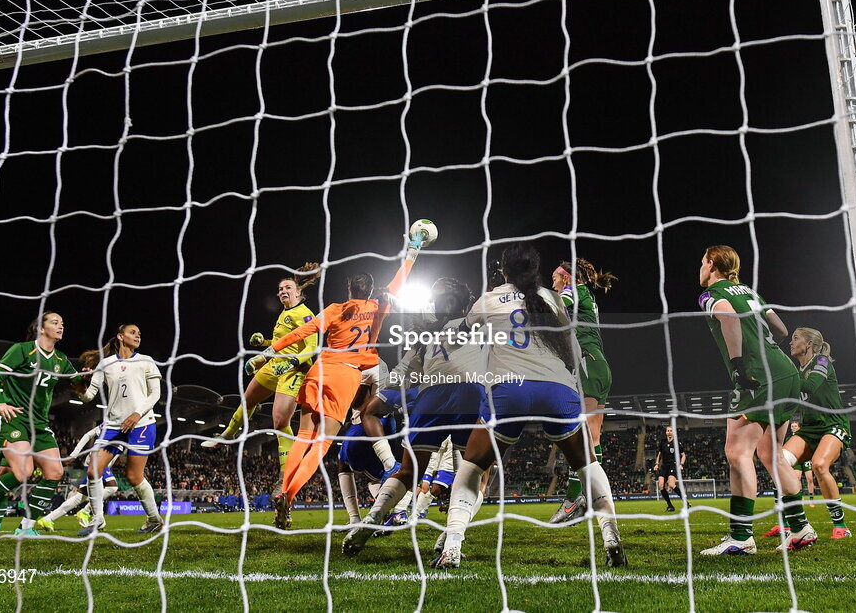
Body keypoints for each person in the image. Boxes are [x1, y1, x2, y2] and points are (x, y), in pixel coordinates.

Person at [431, 242, 626, 569]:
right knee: (588, 463)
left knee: (472, 466)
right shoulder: (551, 297)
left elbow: (463, 332)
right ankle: (610, 535)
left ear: (504, 270)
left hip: (510, 389)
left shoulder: (490, 298)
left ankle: (452, 543)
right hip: (557, 388)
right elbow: (568, 342)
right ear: (535, 271)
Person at [250, 231, 424, 529]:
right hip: (345, 375)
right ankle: (289, 496)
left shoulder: (333, 309)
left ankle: (282, 491)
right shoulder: (378, 306)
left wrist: (268, 352)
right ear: (369, 291)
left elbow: (301, 333)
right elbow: (399, 281)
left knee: (303, 435)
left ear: (348, 288)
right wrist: (413, 251)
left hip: (319, 370)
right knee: (321, 444)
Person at [343, 277, 486, 557]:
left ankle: (372, 518)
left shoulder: (426, 334)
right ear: (464, 303)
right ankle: (453, 541)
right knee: (476, 477)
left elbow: (402, 373)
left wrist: (387, 397)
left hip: (430, 395)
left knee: (408, 472)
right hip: (470, 391)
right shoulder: (478, 323)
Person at [696, 246, 813, 555]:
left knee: (736, 452)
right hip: (785, 372)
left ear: (712, 266)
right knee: (771, 454)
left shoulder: (711, 293)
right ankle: (800, 529)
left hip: (759, 376)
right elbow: (781, 329)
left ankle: (741, 537)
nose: (700, 268)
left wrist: (737, 365)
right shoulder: (750, 292)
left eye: (703, 262)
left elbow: (729, 318)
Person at [0, 312, 78, 539]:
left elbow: (79, 378)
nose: (61, 326)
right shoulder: (21, 350)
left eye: (63, 323)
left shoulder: (60, 360)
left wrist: (95, 371)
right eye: (55, 322)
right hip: (13, 418)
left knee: (55, 472)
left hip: (38, 423)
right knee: (22, 471)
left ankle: (25, 527)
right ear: (40, 328)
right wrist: (1, 404)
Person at [202, 264, 321, 487]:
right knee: (248, 399)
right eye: (280, 289)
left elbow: (311, 348)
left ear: (298, 292)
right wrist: (264, 343)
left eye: (287, 287)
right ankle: (228, 434)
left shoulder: (305, 314)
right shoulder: (284, 314)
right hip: (273, 365)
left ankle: (284, 474)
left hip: (293, 370)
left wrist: (291, 363)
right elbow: (282, 344)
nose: (283, 291)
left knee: (279, 421)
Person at [74, 323, 163, 536]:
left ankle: (154, 519)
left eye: (139, 333)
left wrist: (136, 414)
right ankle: (97, 520)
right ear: (120, 337)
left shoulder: (146, 361)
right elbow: (89, 396)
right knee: (92, 470)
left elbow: (155, 394)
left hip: (141, 424)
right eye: (133, 332)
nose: (137, 335)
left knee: (133, 476)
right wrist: (80, 387)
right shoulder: (106, 364)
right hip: (113, 426)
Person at [549, 257, 617, 524]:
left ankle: (571, 501)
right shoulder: (584, 293)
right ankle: (590, 499)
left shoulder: (571, 291)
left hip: (587, 364)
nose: (551, 281)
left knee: (581, 438)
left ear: (566, 278)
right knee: (593, 438)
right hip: (599, 366)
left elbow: (552, 313)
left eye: (555, 276)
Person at [785, 327, 852, 539]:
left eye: (796, 338)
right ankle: (794, 525)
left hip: (833, 424)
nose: (790, 342)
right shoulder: (797, 370)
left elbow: (810, 387)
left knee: (819, 465)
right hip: (810, 428)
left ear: (809, 344)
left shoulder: (822, 362)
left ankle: (840, 526)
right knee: (779, 463)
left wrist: (783, 378)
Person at [37, 424, 118, 531]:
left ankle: (48, 519)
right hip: (96, 458)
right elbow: (88, 435)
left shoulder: (128, 424)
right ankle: (86, 511)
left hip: (100, 461)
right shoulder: (114, 423)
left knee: (80, 497)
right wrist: (74, 455)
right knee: (112, 487)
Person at [654, 425, 687, 512]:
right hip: (664, 466)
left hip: (673, 465)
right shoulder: (662, 442)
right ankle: (670, 506)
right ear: (666, 432)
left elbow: (683, 455)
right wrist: (657, 464)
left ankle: (686, 502)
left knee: (671, 485)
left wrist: (681, 464)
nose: (669, 432)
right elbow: (659, 454)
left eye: (671, 430)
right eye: (668, 430)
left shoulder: (677, 443)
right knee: (661, 485)